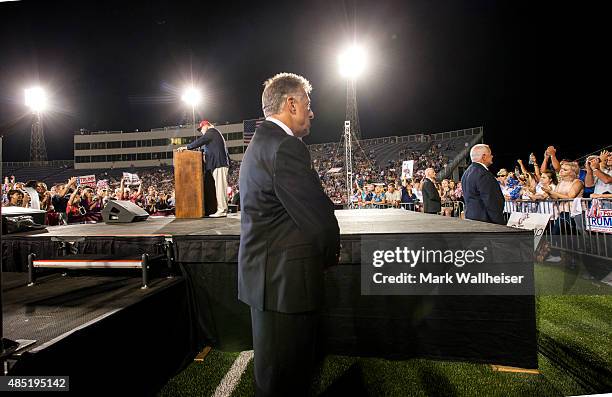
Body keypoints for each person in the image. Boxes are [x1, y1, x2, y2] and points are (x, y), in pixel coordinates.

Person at [238, 72, 340, 396]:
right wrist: (328, 257)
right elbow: (319, 220)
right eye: (307, 104)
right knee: (287, 380)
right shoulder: (285, 146)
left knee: (273, 376)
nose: (312, 113)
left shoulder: (261, 143)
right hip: (285, 284)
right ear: (291, 103)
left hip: (268, 280)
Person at [177, 119, 230, 217]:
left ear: (206, 125)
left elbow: (201, 141)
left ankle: (222, 210)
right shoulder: (214, 134)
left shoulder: (212, 132)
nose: (201, 131)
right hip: (218, 164)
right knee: (220, 188)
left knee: (220, 188)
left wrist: (187, 147)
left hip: (219, 164)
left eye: (201, 128)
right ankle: (223, 209)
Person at [461, 144, 505, 224]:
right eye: (490, 154)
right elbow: (491, 201)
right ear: (484, 157)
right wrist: (499, 222)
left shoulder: (466, 173)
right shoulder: (483, 174)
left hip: (471, 218)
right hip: (485, 221)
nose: (492, 156)